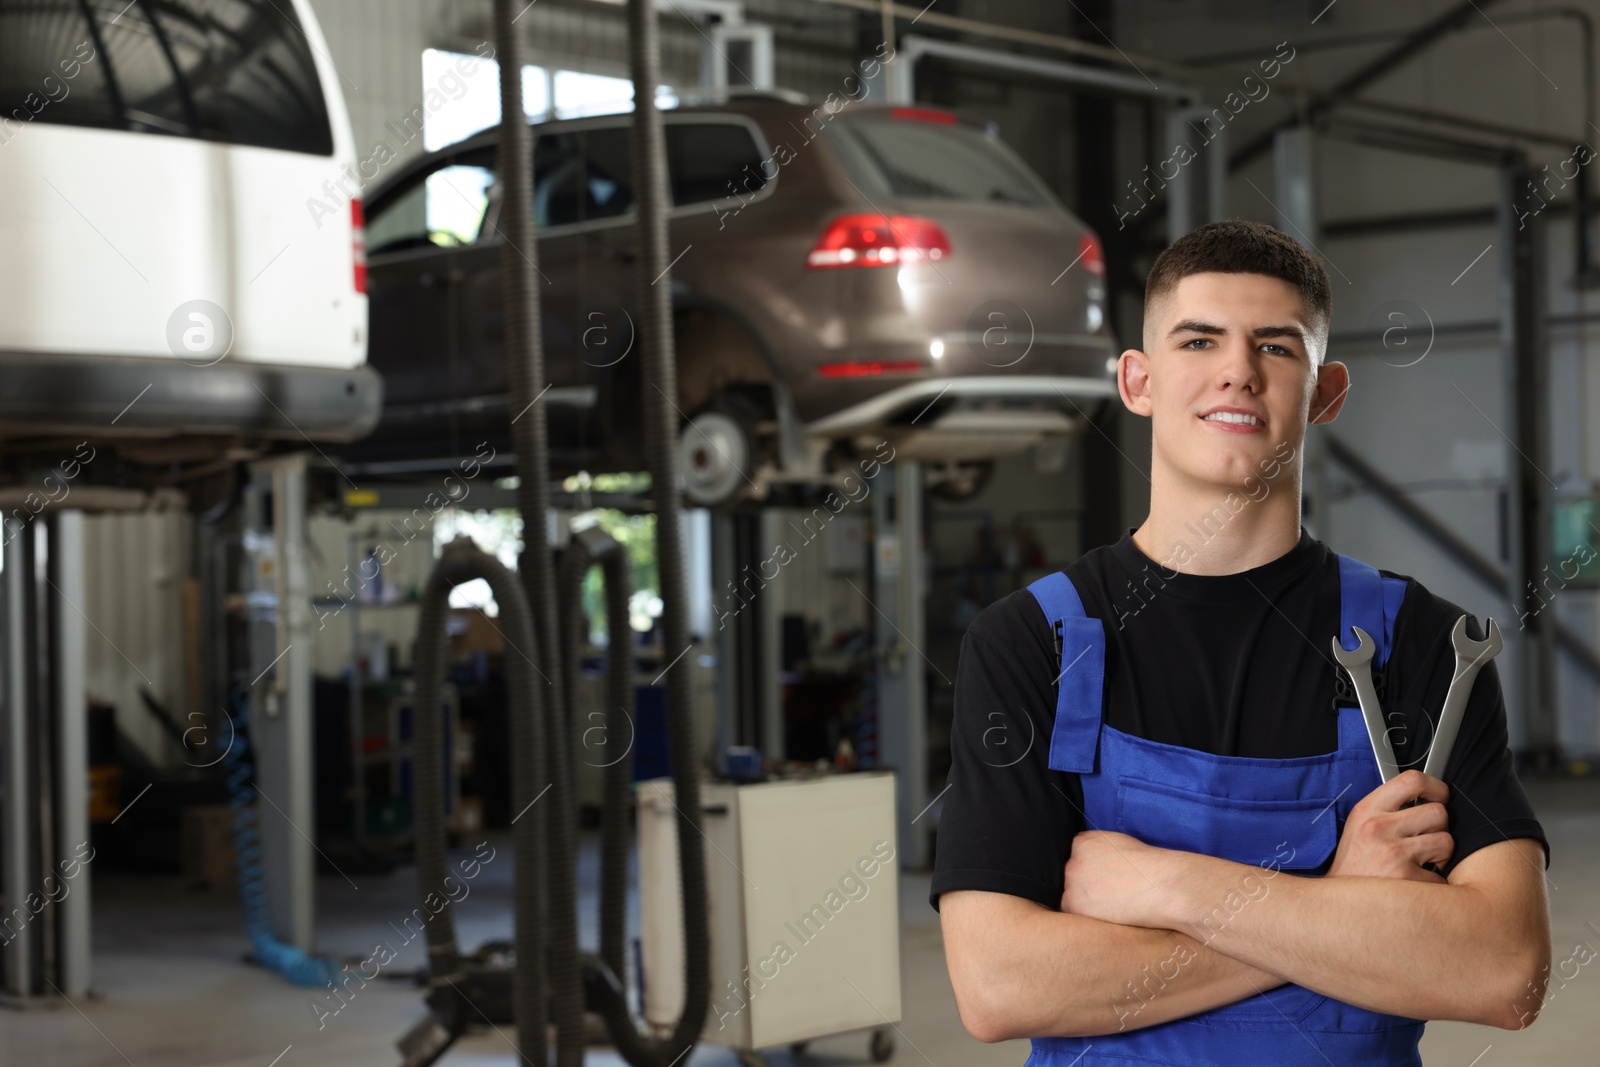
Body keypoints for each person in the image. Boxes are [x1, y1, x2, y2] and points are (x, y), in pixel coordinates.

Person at [931, 219, 1552, 1066]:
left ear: (1326, 391)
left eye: (1276, 345)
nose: (1238, 371)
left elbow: (1503, 973)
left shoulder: (1426, 644)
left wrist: (1168, 885)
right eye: (1198, 339)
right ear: (1138, 380)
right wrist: (1339, 909)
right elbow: (1000, 987)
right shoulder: (1030, 642)